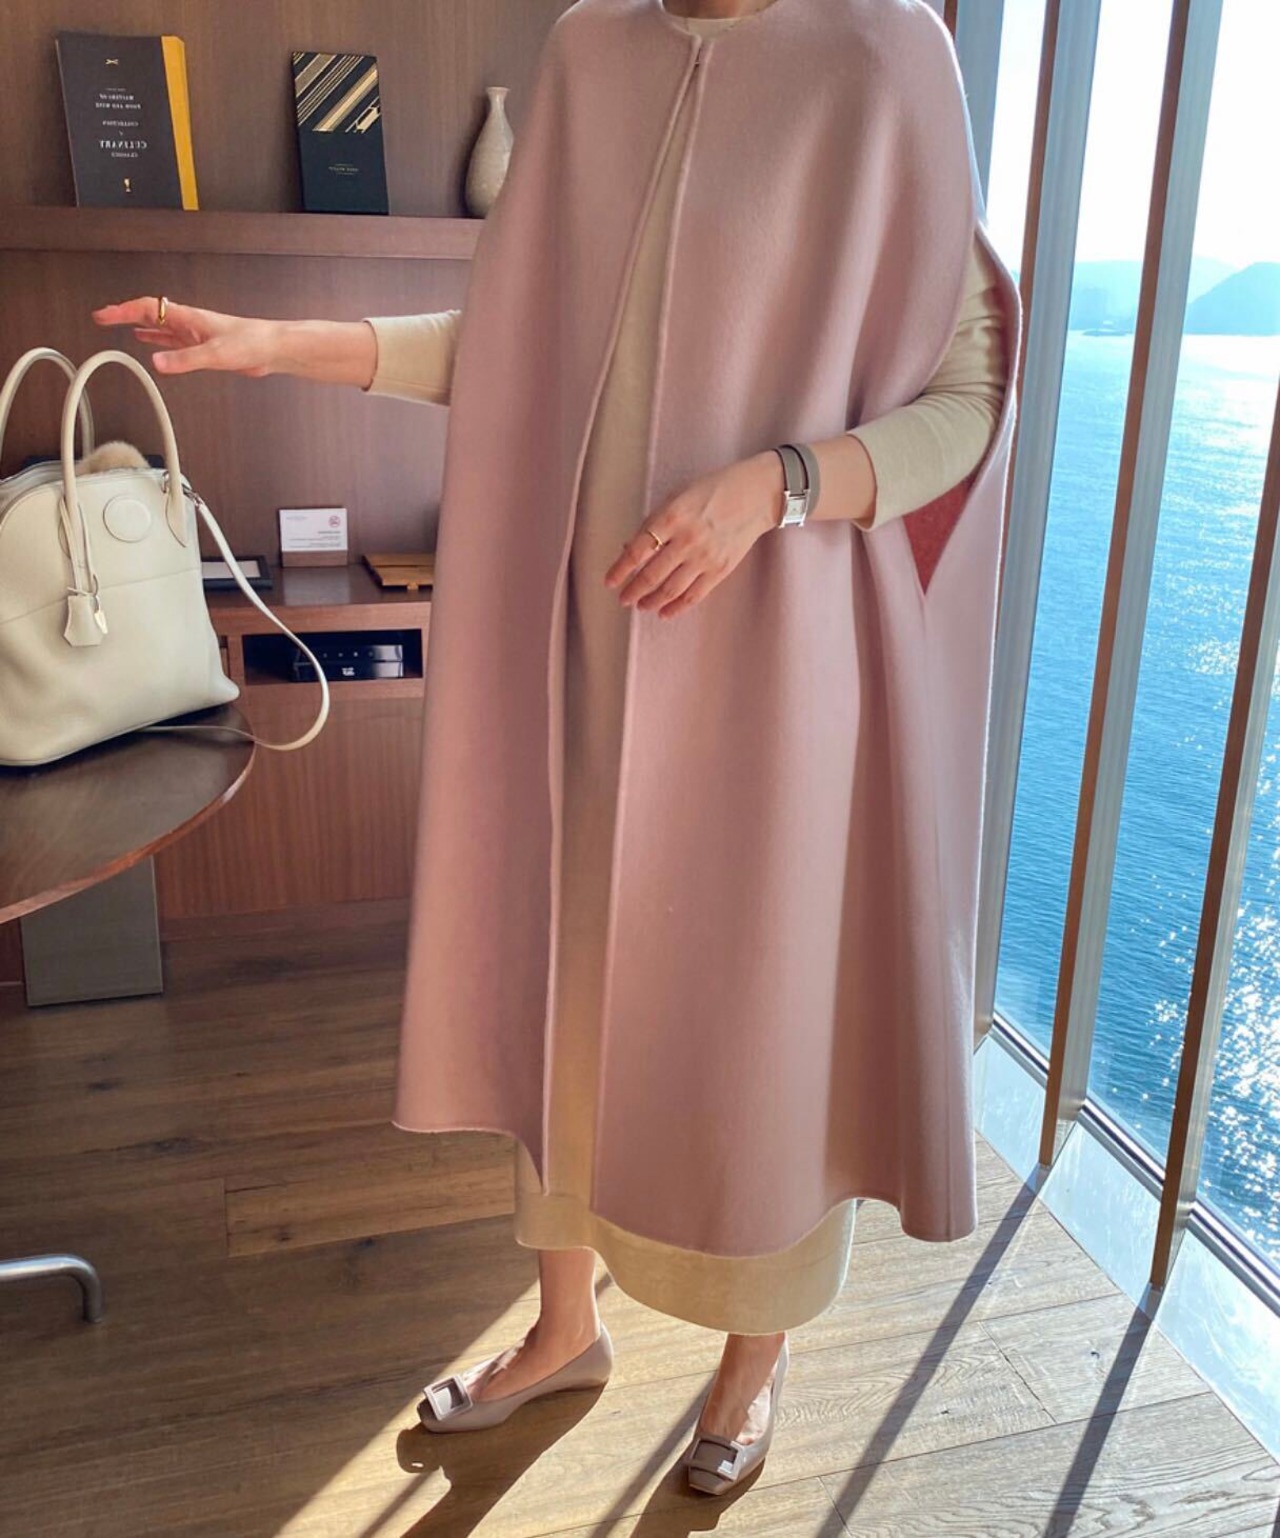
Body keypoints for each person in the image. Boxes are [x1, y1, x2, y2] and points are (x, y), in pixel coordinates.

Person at [95, 0, 1011, 1496]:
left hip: (783, 659)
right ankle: (563, 1329)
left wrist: (777, 486)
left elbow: (966, 399)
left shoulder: (883, 49)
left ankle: (751, 1362)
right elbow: (519, 347)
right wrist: (276, 343)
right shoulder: (593, 51)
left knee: (766, 1007)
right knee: (566, 977)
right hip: (581, 643)